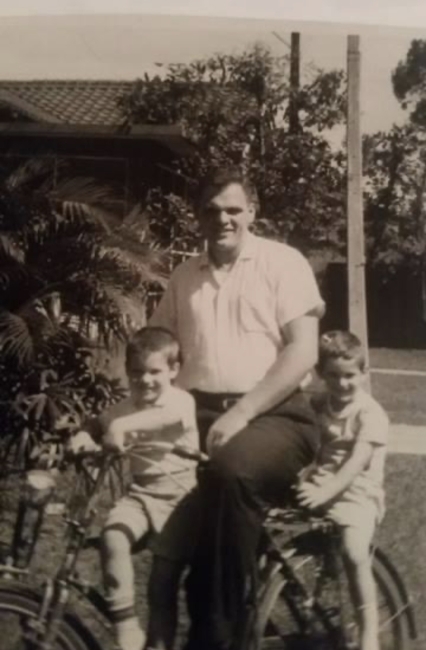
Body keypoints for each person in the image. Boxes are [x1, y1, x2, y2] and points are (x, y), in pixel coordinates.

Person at [149, 166, 325, 650]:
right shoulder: (184, 275)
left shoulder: (282, 263)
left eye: (232, 209)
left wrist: (242, 413)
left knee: (229, 472)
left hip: (278, 416)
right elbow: (158, 349)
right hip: (201, 416)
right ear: (197, 217)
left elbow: (302, 352)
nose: (222, 219)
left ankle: (215, 635)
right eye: (210, 210)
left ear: (253, 212)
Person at [69, 326, 199, 650]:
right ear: (127, 372)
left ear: (174, 370)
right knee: (112, 537)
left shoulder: (181, 401)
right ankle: (125, 624)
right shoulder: (125, 407)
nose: (146, 380)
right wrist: (85, 434)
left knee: (161, 585)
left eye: (155, 372)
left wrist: (121, 427)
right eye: (137, 372)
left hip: (182, 499)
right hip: (141, 494)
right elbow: (98, 422)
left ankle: (158, 645)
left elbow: (163, 419)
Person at [297, 331, 388, 650]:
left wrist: (326, 491)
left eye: (350, 376)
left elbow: (356, 462)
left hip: (358, 491)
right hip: (322, 483)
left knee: (353, 549)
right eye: (333, 375)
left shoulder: (369, 413)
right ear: (321, 375)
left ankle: (369, 628)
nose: (342, 383)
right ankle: (296, 593)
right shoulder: (320, 402)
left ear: (364, 374)